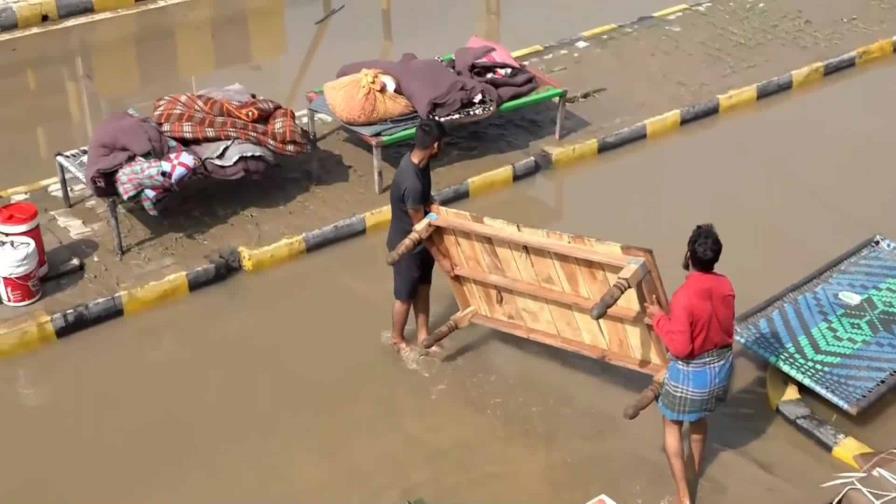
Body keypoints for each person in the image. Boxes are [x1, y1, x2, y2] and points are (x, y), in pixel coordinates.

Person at [644, 224, 735, 504]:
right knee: (698, 419)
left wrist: (659, 318)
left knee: (671, 423)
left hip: (692, 374)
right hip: (719, 370)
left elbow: (680, 347)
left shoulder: (684, 297)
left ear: (689, 255)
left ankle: (684, 497)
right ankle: (695, 470)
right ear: (715, 258)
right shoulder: (725, 286)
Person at [386, 119, 455, 355]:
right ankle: (397, 339)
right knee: (405, 297)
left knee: (424, 287)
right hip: (407, 244)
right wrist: (442, 257)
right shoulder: (411, 182)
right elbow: (421, 230)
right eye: (443, 144)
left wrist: (433, 205)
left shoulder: (420, 162)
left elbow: (425, 200)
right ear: (435, 146)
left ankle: (424, 334)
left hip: (421, 239)